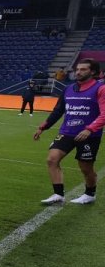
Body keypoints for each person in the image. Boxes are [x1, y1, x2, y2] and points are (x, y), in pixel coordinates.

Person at [33, 58, 105, 206]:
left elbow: (104, 113)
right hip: (67, 131)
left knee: (86, 168)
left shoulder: (100, 88)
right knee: (52, 159)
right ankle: (58, 194)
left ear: (92, 72)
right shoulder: (68, 89)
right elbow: (58, 110)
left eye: (83, 69)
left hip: (89, 134)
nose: (78, 72)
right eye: (77, 69)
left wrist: (89, 129)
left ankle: (90, 194)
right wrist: (43, 126)